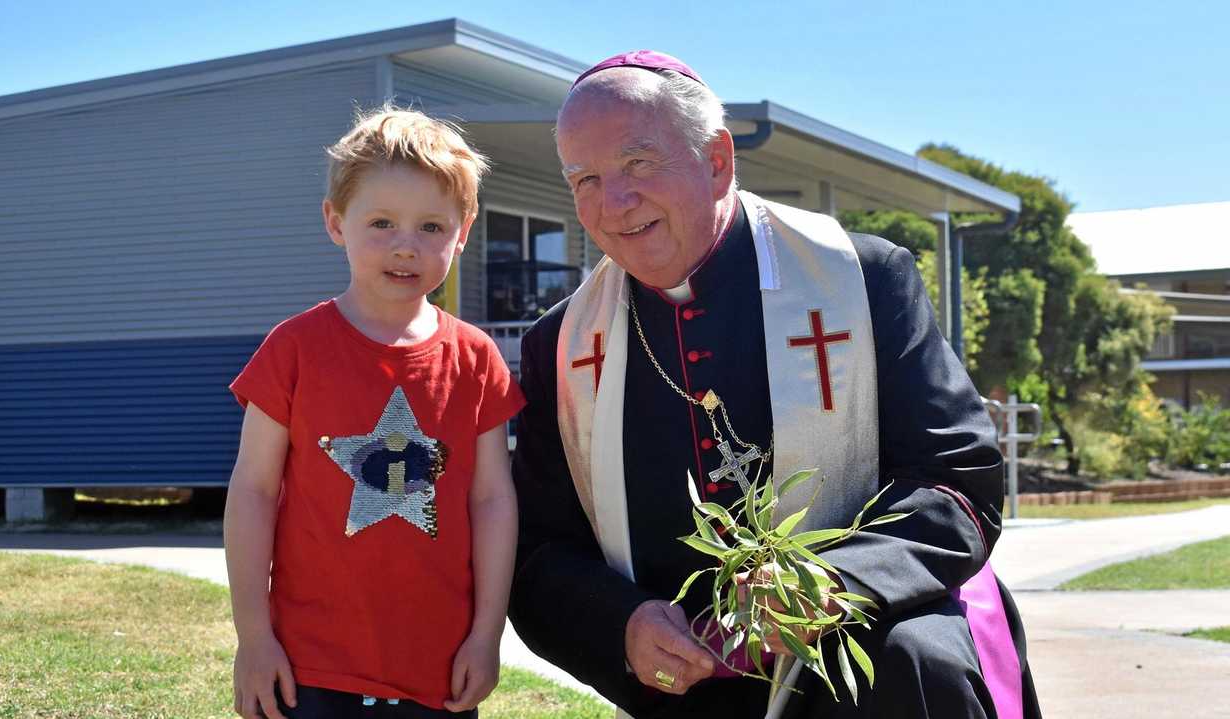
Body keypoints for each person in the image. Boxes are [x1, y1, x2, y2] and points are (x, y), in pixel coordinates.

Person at [508, 51, 1040, 719]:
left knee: (916, 661)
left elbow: (958, 478)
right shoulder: (560, 345)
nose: (613, 203)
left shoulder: (859, 278)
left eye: (639, 164)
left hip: (864, 639)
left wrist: (834, 583)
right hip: (692, 678)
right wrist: (624, 624)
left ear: (717, 160)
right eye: (585, 178)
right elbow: (537, 554)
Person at [223, 108, 525, 719]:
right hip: (305, 665)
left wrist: (487, 634)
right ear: (336, 222)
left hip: (437, 668)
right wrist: (253, 638)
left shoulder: (476, 358)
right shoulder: (293, 349)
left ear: (462, 233)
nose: (406, 246)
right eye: (382, 222)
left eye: (431, 226)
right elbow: (253, 491)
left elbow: (492, 499)